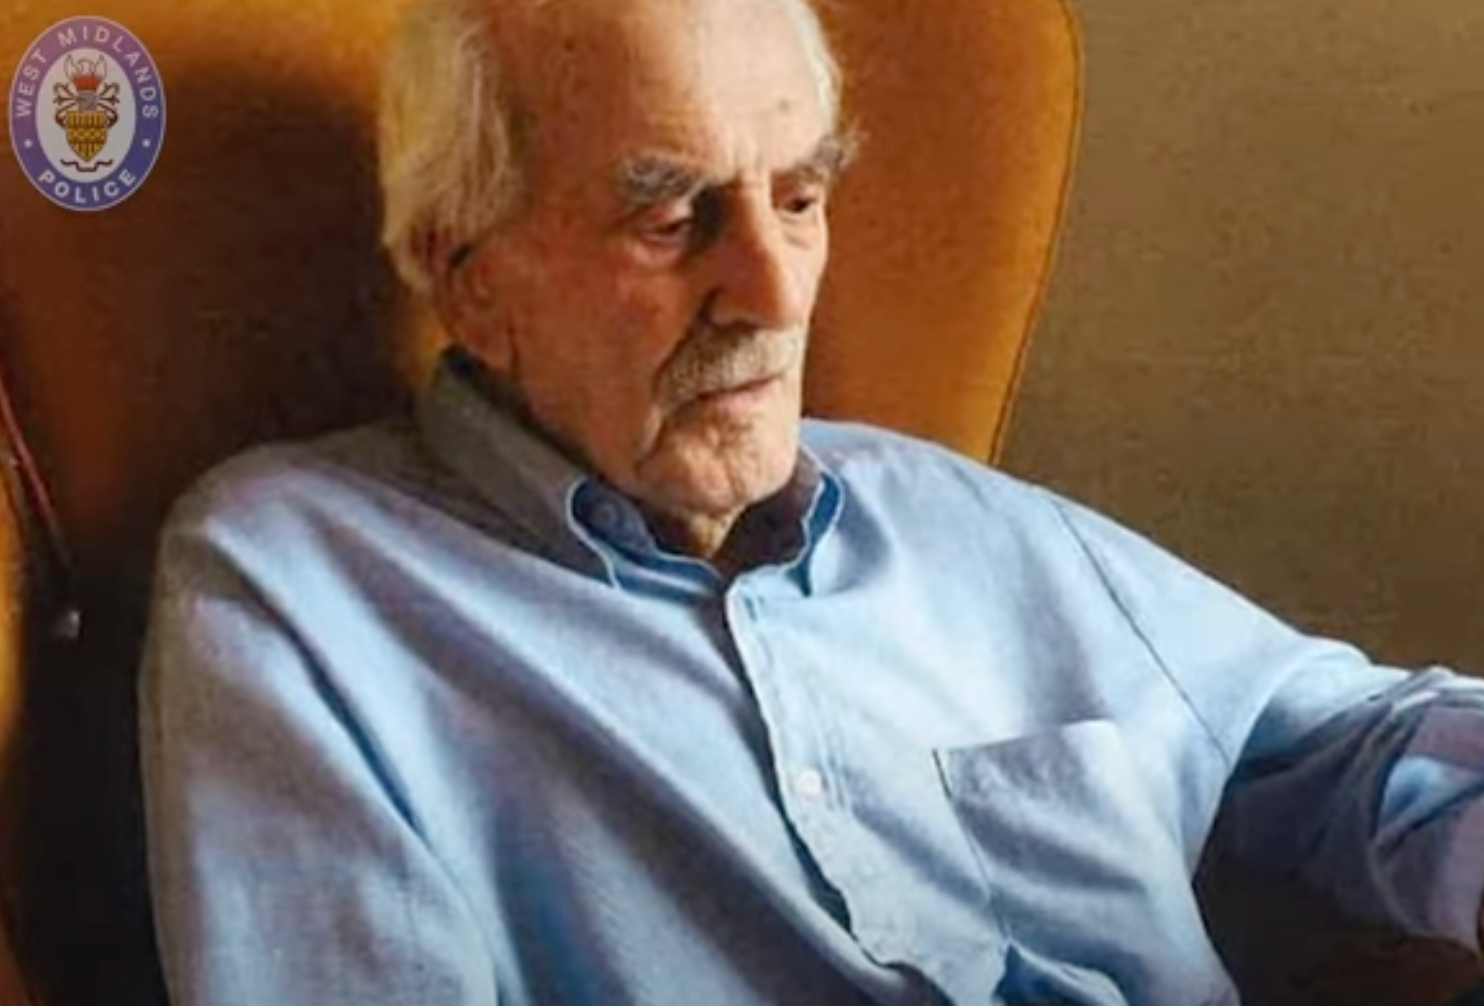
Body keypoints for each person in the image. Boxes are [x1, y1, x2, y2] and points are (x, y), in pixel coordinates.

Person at [137, 0, 1484, 1002]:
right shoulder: (300, 587)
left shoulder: (947, 514)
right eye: (672, 220)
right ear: (466, 271)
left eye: (799, 198)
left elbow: (1358, 741)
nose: (777, 293)